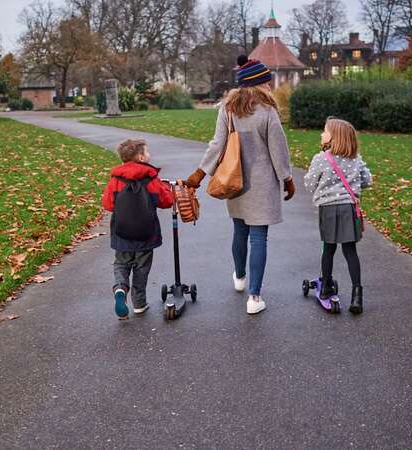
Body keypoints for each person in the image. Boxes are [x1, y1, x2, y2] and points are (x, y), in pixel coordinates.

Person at [184, 56, 294, 315]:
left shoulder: (228, 109)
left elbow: (217, 144)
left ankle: (240, 277)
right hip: (263, 183)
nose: (270, 86)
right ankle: (254, 297)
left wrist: (201, 173)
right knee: (259, 238)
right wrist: (287, 179)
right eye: (267, 82)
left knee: (239, 230)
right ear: (259, 84)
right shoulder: (267, 111)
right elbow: (278, 149)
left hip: (235, 182)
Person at [303, 117, 372, 314]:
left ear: (334, 138)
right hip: (349, 209)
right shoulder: (356, 159)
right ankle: (357, 295)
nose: (321, 134)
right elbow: (367, 180)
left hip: (328, 209)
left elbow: (309, 184)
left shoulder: (320, 159)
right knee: (350, 252)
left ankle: (325, 287)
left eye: (325, 131)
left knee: (329, 249)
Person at [102, 138, 174, 319]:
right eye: (147, 152)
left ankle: (120, 288)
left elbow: (108, 204)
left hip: (122, 232)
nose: (149, 155)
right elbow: (166, 201)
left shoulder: (116, 179)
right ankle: (139, 303)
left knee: (121, 263)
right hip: (146, 232)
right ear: (141, 157)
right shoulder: (150, 178)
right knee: (141, 268)